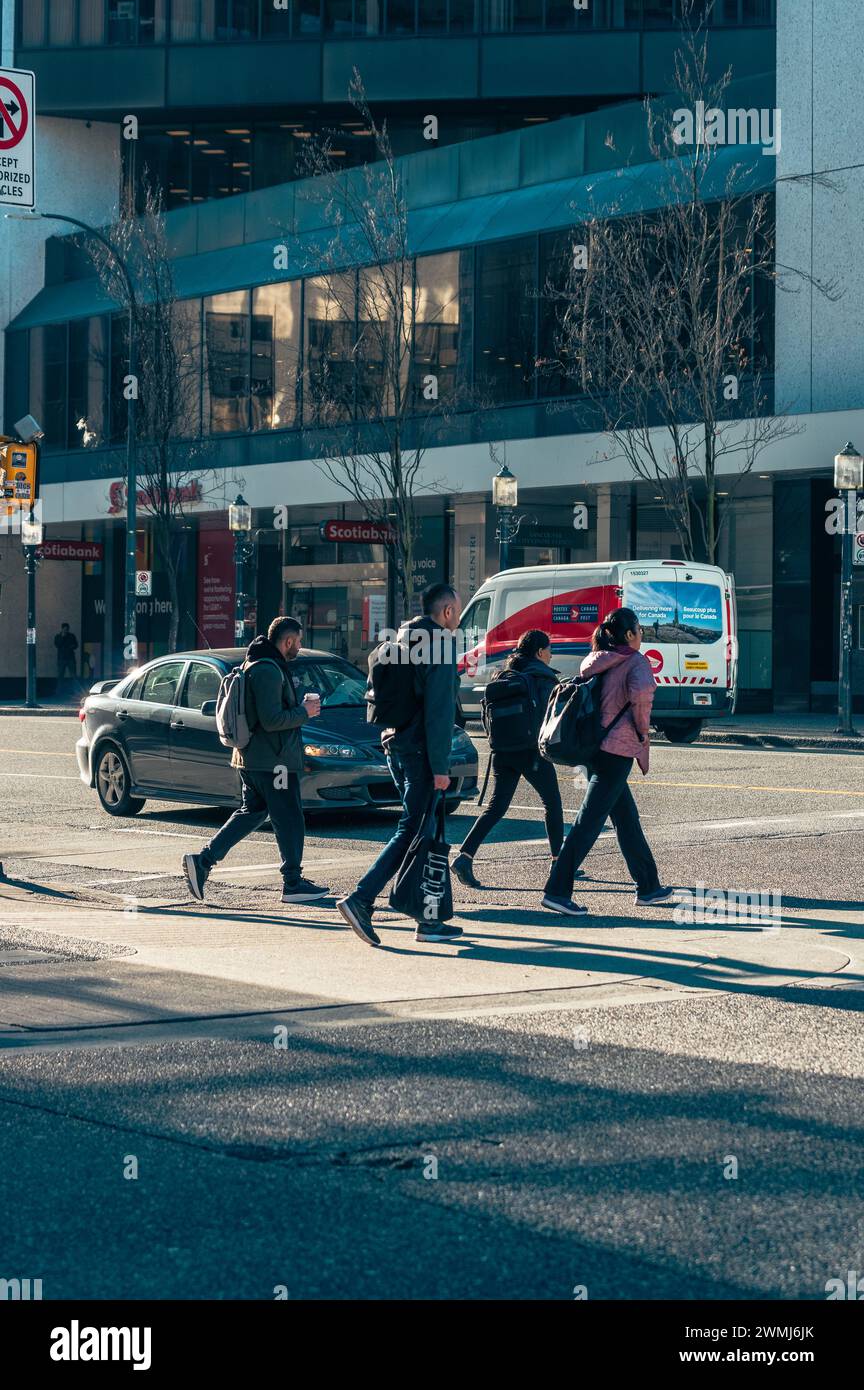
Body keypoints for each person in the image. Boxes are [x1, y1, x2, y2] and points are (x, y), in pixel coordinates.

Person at [338, 582, 464, 948]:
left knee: (424, 832)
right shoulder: (439, 645)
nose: (458, 616)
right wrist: (441, 768)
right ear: (446, 612)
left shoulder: (397, 642)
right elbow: (439, 714)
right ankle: (361, 899)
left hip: (396, 745)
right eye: (457, 609)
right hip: (422, 752)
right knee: (412, 830)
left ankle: (429, 919)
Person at [182, 616, 330, 905]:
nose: (299, 647)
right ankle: (293, 882)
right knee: (289, 819)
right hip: (273, 761)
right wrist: (305, 711)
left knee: (253, 812)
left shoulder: (259, 663)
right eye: (298, 642)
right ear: (287, 641)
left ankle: (202, 861)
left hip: (256, 758)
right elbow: (272, 720)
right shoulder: (268, 670)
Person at [542, 606, 674, 916]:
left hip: (595, 747)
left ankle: (649, 887)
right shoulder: (635, 661)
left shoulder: (599, 660)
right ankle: (557, 890)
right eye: (639, 630)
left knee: (627, 819)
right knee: (588, 822)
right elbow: (642, 692)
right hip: (618, 750)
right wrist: (643, 730)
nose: (642, 635)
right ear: (629, 635)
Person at [451, 629, 563, 889]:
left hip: (502, 752)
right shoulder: (541, 678)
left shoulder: (502, 674)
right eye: (549, 650)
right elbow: (552, 717)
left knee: (496, 807)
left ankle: (464, 857)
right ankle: (559, 862)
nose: (551, 655)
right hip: (531, 751)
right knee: (552, 803)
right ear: (539, 652)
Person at [54, 623, 78, 693]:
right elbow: (57, 645)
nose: (66, 631)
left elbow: (76, 645)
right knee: (60, 675)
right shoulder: (58, 636)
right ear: (62, 629)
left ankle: (75, 690)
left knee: (73, 675)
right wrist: (62, 637)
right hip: (62, 658)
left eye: (67, 629)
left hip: (70, 658)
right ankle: (59, 691)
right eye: (64, 629)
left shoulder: (71, 636)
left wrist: (71, 647)